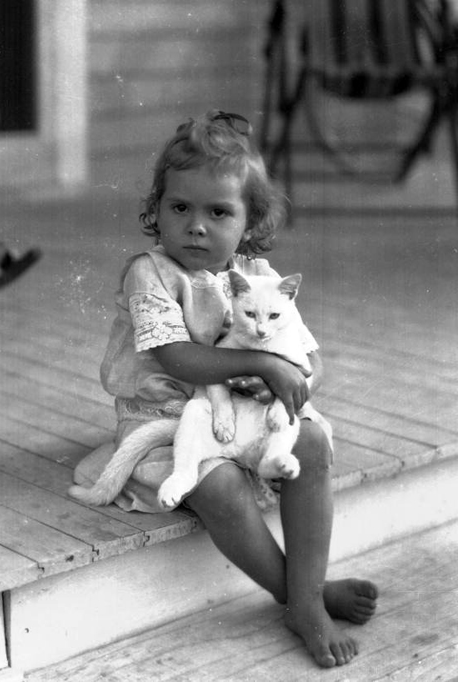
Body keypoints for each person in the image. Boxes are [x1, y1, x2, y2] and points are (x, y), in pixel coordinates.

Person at [74, 110, 378, 668]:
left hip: (242, 414)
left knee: (310, 444)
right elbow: (177, 355)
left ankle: (306, 587)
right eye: (180, 207)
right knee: (219, 490)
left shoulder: (256, 275)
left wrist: (295, 381)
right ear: (157, 210)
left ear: (248, 221)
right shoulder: (152, 272)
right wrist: (267, 364)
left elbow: (308, 358)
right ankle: (302, 598)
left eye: (219, 212)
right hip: (164, 414)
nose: (196, 226)